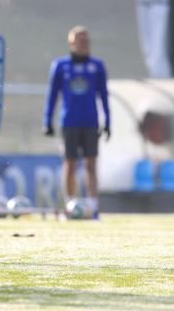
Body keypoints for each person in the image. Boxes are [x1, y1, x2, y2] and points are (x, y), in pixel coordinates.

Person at [43, 26, 110, 219]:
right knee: (70, 164)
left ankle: (94, 207)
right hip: (69, 122)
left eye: (87, 40)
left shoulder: (97, 66)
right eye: (81, 40)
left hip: (90, 121)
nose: (85, 43)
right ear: (71, 42)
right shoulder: (60, 66)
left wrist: (108, 120)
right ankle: (70, 205)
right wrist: (47, 120)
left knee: (91, 164)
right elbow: (52, 96)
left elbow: (104, 95)